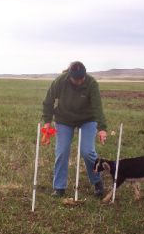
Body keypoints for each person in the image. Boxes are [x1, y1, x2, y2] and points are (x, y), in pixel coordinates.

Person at [42, 61, 107, 198]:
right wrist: (47, 121)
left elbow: (97, 107)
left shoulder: (91, 83)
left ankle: (97, 182)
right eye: (76, 79)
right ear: (69, 76)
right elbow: (48, 101)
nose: (80, 81)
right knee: (62, 151)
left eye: (82, 78)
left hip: (87, 119)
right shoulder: (60, 81)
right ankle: (59, 188)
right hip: (64, 119)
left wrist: (102, 128)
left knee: (87, 151)